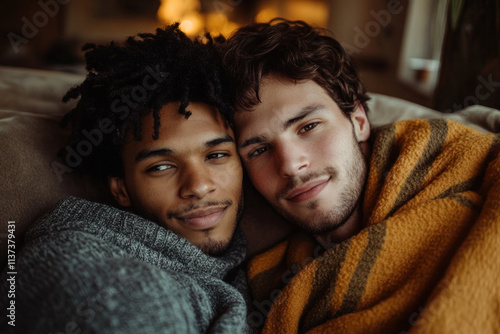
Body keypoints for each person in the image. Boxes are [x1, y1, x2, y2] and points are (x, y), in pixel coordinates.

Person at [223, 19, 500, 333]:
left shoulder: (463, 160)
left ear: (358, 121)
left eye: (308, 127)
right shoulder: (268, 285)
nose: (289, 165)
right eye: (259, 150)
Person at [0, 24, 250, 333]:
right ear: (121, 189)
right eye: (161, 167)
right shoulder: (88, 273)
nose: (198, 186)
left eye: (216, 156)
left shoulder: (256, 260)